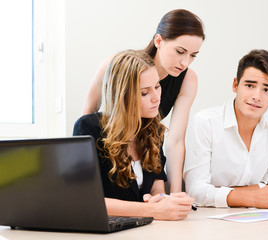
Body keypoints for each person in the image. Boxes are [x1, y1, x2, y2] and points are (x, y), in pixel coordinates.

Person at [82, 9, 205, 193]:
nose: (185, 62)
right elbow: (86, 122)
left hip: (144, 148)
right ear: (158, 41)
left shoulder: (187, 79)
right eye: (180, 51)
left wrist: (175, 194)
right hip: (111, 155)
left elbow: (175, 140)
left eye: (193, 55)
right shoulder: (115, 66)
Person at [74, 50, 194, 220]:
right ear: (122, 95)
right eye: (145, 93)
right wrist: (153, 211)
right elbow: (85, 201)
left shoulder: (154, 130)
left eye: (157, 86)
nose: (156, 98)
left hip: (142, 228)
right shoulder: (88, 128)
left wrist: (161, 200)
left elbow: (156, 188)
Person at [183, 49, 268, 209]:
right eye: (250, 85)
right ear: (235, 85)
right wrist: (253, 197)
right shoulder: (205, 122)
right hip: (207, 219)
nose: (257, 96)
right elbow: (196, 192)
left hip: (255, 217)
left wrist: (220, 193)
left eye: (266, 89)